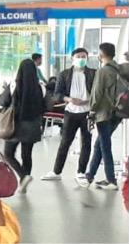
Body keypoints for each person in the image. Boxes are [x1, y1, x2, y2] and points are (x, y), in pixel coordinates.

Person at [42, 47, 96, 182]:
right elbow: (57, 94)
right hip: (70, 112)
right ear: (72, 58)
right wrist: (70, 99)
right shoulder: (64, 74)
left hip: (87, 113)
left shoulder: (93, 73)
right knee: (65, 142)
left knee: (86, 143)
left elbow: (97, 92)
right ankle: (56, 171)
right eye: (78, 57)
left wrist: (89, 100)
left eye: (84, 57)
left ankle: (81, 171)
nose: (81, 59)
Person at [80, 42, 123, 190]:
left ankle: (111, 180)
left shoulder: (103, 71)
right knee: (99, 145)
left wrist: (92, 111)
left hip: (104, 114)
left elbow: (97, 94)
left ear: (101, 54)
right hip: (117, 113)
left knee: (105, 146)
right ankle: (89, 177)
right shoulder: (120, 70)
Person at [0, 59, 45, 194]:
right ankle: (23, 182)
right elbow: (47, 105)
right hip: (33, 126)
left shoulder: (14, 85)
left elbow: (3, 101)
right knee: (27, 155)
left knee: (8, 154)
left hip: (15, 126)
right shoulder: (41, 87)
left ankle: (23, 176)